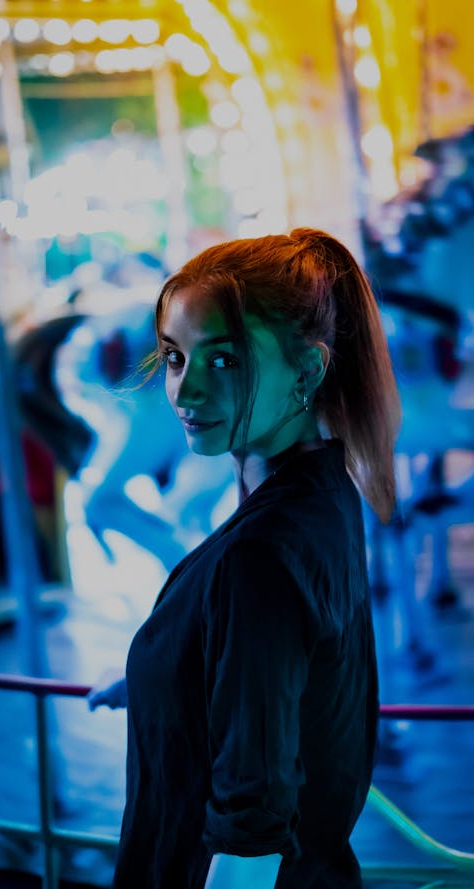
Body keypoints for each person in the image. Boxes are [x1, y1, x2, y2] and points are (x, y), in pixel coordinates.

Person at [113, 228, 401, 889]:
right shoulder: (325, 491)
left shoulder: (259, 557)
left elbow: (252, 821)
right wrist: (160, 673)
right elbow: (290, 669)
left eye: (225, 362)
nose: (184, 394)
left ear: (306, 371)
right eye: (176, 358)